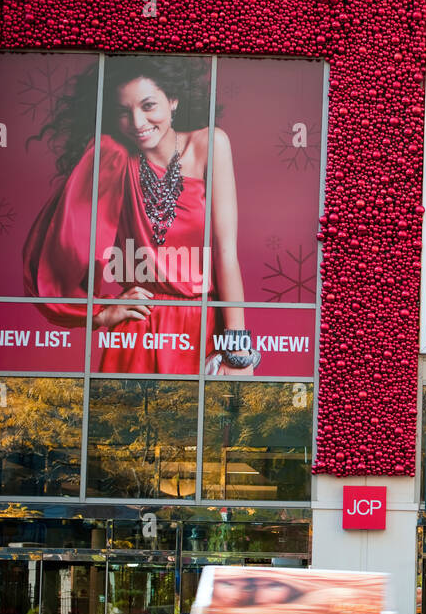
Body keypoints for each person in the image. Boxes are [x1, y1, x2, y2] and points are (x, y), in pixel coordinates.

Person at [26, 55, 257, 375]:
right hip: (138, 330)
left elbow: (225, 252)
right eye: (124, 111)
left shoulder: (210, 144)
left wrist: (237, 349)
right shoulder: (111, 157)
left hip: (204, 325)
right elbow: (57, 251)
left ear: (173, 100)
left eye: (148, 106)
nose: (137, 122)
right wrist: (101, 312)